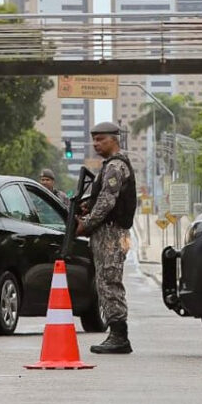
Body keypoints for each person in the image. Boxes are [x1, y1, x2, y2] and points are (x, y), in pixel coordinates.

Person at [78, 121, 136, 355]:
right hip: (108, 233)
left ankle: (119, 335)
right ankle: (115, 333)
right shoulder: (109, 166)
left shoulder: (115, 166)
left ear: (114, 139)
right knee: (104, 282)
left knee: (110, 282)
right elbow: (101, 198)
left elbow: (107, 201)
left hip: (112, 233)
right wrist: (86, 206)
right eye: (94, 139)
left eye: (100, 139)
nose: (95, 144)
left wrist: (87, 223)